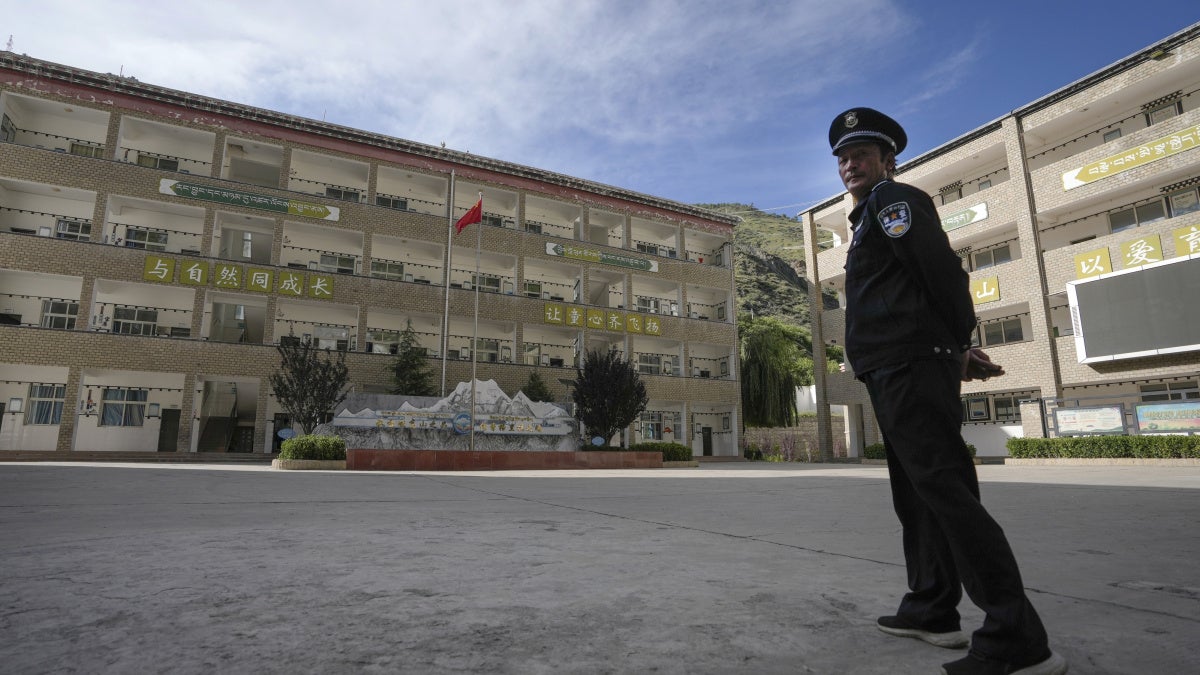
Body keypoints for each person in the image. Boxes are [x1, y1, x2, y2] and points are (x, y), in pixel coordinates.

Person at [829, 107, 1067, 675]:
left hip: (911, 365)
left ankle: (1017, 637)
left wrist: (959, 341)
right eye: (843, 156)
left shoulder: (895, 202)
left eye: (862, 153)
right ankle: (931, 608)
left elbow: (941, 271)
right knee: (917, 495)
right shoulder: (868, 220)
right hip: (891, 367)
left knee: (945, 490)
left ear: (888, 159)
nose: (850, 164)